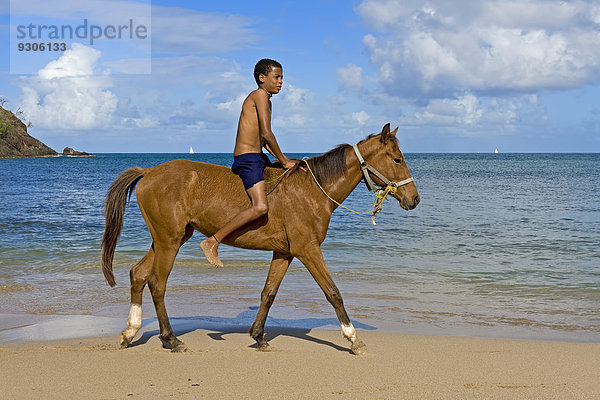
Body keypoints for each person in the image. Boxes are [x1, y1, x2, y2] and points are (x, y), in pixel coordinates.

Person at [200, 58, 300, 268]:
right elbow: (268, 133)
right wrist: (283, 160)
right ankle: (213, 241)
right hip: (248, 159)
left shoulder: (267, 100)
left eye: (282, 77)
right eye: (277, 77)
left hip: (257, 157)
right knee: (261, 206)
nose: (281, 82)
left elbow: (263, 141)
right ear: (262, 78)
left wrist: (283, 160)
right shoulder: (260, 95)